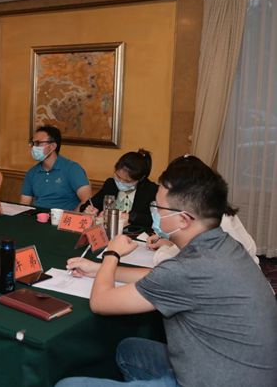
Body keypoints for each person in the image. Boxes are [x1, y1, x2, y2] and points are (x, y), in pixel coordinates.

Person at [59, 155, 277, 387]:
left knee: (67, 385)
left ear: (183, 220)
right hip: (242, 370)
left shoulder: (190, 267)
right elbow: (159, 279)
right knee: (129, 350)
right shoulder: (221, 244)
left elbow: (101, 302)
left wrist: (112, 254)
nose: (154, 211)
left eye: (157, 207)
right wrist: (98, 269)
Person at [20, 125, 91, 211]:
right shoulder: (32, 173)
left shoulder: (72, 169)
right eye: (32, 143)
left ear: (53, 146)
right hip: (38, 217)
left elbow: (87, 201)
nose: (33, 147)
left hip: (64, 218)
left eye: (38, 143)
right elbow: (24, 205)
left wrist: (70, 217)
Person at [82, 149, 158, 228]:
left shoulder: (150, 190)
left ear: (141, 179)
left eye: (127, 181)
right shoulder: (111, 184)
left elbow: (155, 221)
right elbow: (87, 205)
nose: (120, 182)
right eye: (118, 176)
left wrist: (131, 217)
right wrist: (90, 210)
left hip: (136, 234)